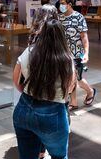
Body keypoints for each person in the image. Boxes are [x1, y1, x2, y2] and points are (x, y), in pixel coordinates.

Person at [13, 19, 75, 159]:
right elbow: (69, 88)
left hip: (24, 108)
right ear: (61, 35)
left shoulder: (28, 52)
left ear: (42, 33)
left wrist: (26, 91)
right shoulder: (66, 58)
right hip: (53, 112)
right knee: (59, 156)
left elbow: (16, 80)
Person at [28, 4, 59, 159]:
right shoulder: (56, 32)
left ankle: (40, 149)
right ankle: (44, 149)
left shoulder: (34, 34)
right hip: (53, 90)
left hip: (35, 88)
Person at [59, 0, 96, 110]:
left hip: (77, 53)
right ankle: (73, 103)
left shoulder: (79, 17)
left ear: (69, 4)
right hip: (65, 53)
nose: (61, 6)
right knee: (70, 78)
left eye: (63, 3)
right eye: (60, 3)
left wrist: (86, 53)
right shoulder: (60, 18)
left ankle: (90, 91)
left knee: (78, 79)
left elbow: (84, 37)